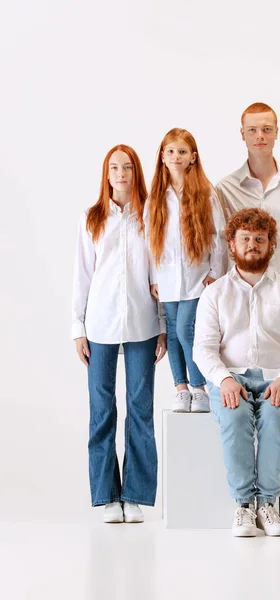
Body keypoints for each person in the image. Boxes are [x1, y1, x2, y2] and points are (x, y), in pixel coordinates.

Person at [215, 102, 280, 521]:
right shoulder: (225, 187)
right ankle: (244, 497)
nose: (260, 136)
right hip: (240, 304)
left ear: (277, 133)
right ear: (241, 134)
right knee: (239, 402)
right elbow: (223, 248)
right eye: (252, 130)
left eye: (267, 129)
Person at [193, 208, 280, 537]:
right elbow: (203, 348)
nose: (252, 245)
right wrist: (224, 380)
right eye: (244, 239)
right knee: (235, 420)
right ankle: (244, 505)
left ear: (271, 245)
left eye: (259, 240)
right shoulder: (214, 293)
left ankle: (268, 504)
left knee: (276, 420)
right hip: (230, 377)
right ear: (231, 245)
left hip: (277, 378)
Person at [72, 144, 167, 524]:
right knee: (102, 410)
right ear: (106, 174)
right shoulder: (92, 218)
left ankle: (136, 495)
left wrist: (162, 326)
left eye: (127, 167)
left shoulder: (149, 216)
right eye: (115, 167)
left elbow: (159, 274)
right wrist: (77, 327)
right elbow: (81, 275)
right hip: (100, 325)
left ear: (136, 172)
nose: (121, 173)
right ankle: (108, 495)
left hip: (143, 323)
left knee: (140, 410)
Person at [148, 128, 227, 413]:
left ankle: (199, 386)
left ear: (192, 157)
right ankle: (181, 388)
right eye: (170, 151)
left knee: (186, 329)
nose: (176, 156)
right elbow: (150, 241)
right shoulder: (156, 197)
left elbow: (219, 235)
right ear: (162, 157)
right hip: (167, 279)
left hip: (197, 279)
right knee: (171, 332)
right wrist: (155, 277)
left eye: (182, 152)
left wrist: (215, 272)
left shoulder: (206, 193)